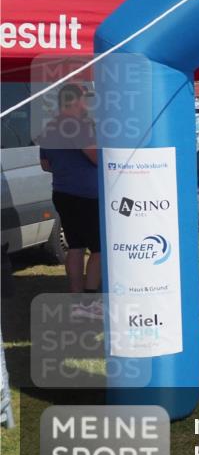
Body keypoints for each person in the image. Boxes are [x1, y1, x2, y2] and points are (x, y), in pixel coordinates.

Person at [37, 84, 102, 314]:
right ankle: (90, 302)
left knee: (75, 246)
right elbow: (95, 157)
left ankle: (76, 300)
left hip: (62, 192)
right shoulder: (78, 126)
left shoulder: (50, 127)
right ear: (74, 101)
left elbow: (45, 165)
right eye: (85, 99)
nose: (88, 104)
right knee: (98, 249)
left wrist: (66, 167)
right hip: (86, 195)